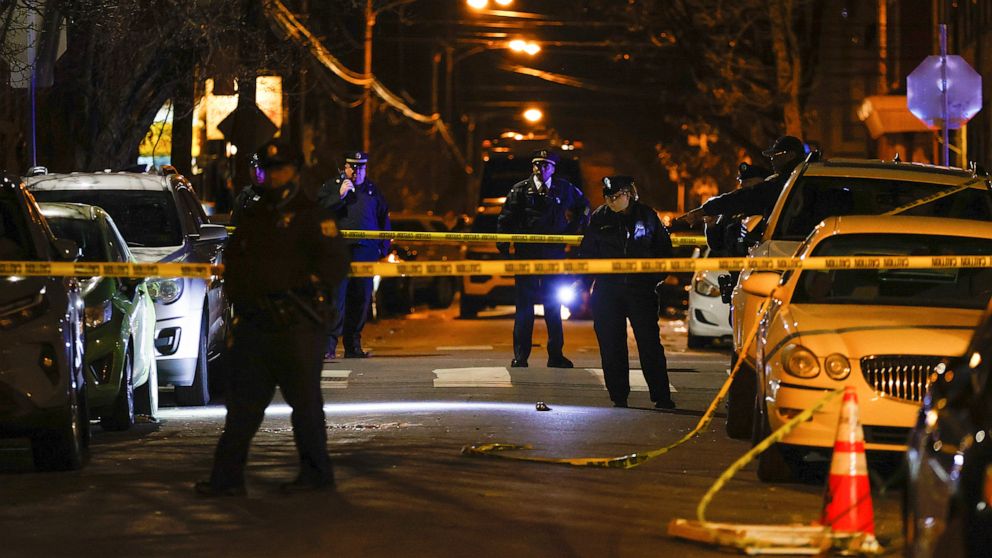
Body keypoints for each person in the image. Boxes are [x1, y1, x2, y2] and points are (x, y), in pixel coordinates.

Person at [195, 139, 350, 497]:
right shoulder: (253, 214)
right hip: (255, 326)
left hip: (297, 323)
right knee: (242, 409)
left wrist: (296, 284)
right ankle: (227, 479)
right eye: (269, 168)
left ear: (295, 171)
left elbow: (335, 264)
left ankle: (316, 474)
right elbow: (236, 265)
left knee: (306, 406)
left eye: (281, 168)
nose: (274, 175)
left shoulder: (313, 215)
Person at [580, 176, 676, 409]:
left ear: (629, 194)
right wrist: (583, 285)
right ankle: (619, 396)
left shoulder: (647, 215)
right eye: (608, 197)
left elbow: (663, 250)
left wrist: (654, 280)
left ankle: (661, 396)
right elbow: (587, 254)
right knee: (612, 346)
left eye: (617, 196)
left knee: (649, 344)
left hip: (640, 291)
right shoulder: (599, 217)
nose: (612, 201)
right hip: (607, 291)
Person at [497, 149, 589, 368]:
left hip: (552, 255)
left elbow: (584, 207)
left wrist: (572, 233)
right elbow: (505, 217)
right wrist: (503, 245)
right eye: (537, 164)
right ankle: (521, 356)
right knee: (524, 308)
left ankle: (555, 355)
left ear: (553, 169)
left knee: (553, 306)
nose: (540, 169)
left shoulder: (564, 189)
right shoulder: (519, 190)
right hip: (526, 256)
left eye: (545, 165)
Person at [317, 151, 391, 359]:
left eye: (361, 167)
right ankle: (328, 347)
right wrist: (338, 196)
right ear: (345, 167)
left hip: (365, 251)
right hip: (338, 250)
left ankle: (353, 346)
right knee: (336, 299)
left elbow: (384, 218)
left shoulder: (372, 190)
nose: (357, 171)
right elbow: (318, 211)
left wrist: (382, 248)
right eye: (353, 167)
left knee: (361, 299)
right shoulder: (332, 186)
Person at [679, 135, 806, 228]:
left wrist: (704, 210)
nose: (772, 160)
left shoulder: (787, 182)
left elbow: (745, 197)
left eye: (776, 155)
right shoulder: (800, 178)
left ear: (791, 155)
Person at [229, 153, 266, 227]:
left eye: (261, 167)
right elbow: (234, 227)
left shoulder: (279, 195)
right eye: (253, 168)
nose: (257, 172)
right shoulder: (244, 196)